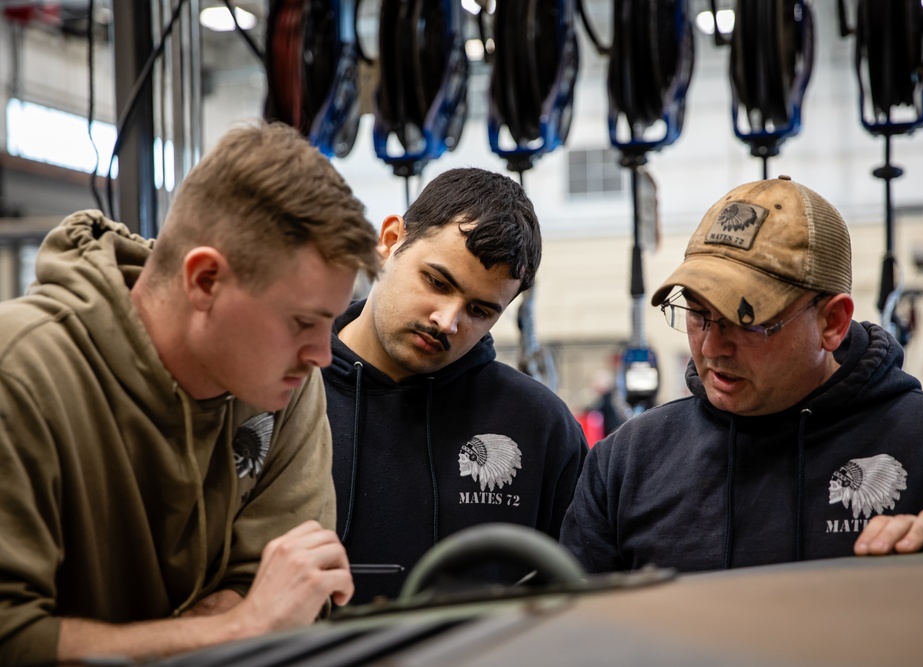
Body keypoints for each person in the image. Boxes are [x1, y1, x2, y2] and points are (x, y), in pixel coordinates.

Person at [0, 121, 381, 664]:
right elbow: (12, 638)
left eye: (329, 323)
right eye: (301, 321)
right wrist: (237, 628)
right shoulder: (21, 372)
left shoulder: (288, 385)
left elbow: (290, 594)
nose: (323, 353)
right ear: (205, 280)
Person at [560, 175, 923, 575]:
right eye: (697, 313)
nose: (712, 348)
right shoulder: (626, 464)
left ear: (832, 322)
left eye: (748, 320)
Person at [322, 167, 590, 603]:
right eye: (437, 282)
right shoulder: (285, 391)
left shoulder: (539, 427)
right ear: (390, 241)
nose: (447, 322)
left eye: (480, 311)